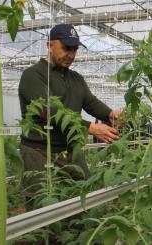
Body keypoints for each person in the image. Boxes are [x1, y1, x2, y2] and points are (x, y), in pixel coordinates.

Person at [18, 24, 120, 208]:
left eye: (75, 49)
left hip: (70, 148)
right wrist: (90, 128)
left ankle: (76, 233)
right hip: (39, 151)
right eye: (66, 48)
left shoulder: (76, 79)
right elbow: (48, 110)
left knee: (82, 193)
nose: (71, 55)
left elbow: (91, 103)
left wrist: (110, 114)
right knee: (41, 202)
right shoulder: (33, 75)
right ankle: (45, 237)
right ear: (49, 44)